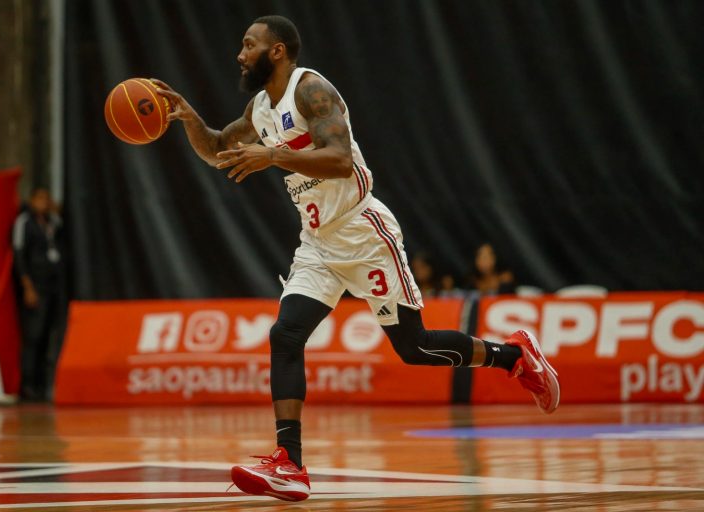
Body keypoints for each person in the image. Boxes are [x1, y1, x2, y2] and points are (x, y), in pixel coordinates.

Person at [153, 15, 559, 502]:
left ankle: (515, 357)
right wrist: (189, 119)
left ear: (277, 51)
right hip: (318, 242)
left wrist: (273, 156)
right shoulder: (259, 108)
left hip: (363, 232)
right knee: (285, 335)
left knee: (414, 347)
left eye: (248, 44)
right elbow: (219, 149)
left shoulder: (312, 91)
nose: (240, 55)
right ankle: (290, 464)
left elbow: (341, 160)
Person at [12, 188, 66, 401]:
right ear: (31, 200)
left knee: (49, 336)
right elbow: (18, 254)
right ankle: (28, 384)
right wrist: (27, 286)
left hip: (54, 287)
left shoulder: (52, 222)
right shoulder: (24, 222)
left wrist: (54, 210)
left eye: (46, 198)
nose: (44, 202)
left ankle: (45, 385)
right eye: (40, 198)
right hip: (36, 287)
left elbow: (63, 226)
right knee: (33, 336)